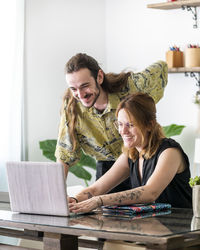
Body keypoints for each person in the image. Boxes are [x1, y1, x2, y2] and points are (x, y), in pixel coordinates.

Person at [55, 53, 168, 193]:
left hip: (141, 161)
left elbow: (161, 67)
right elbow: (65, 154)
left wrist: (146, 108)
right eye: (73, 89)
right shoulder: (72, 107)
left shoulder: (131, 87)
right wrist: (56, 195)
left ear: (100, 77)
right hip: (108, 170)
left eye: (85, 86)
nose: (80, 94)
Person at [69, 93, 192, 213]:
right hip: (151, 228)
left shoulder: (169, 152)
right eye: (120, 124)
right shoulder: (131, 154)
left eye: (130, 125)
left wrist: (99, 200)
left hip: (180, 229)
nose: (123, 131)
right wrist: (74, 200)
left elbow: (150, 192)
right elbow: (96, 189)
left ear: (149, 125)